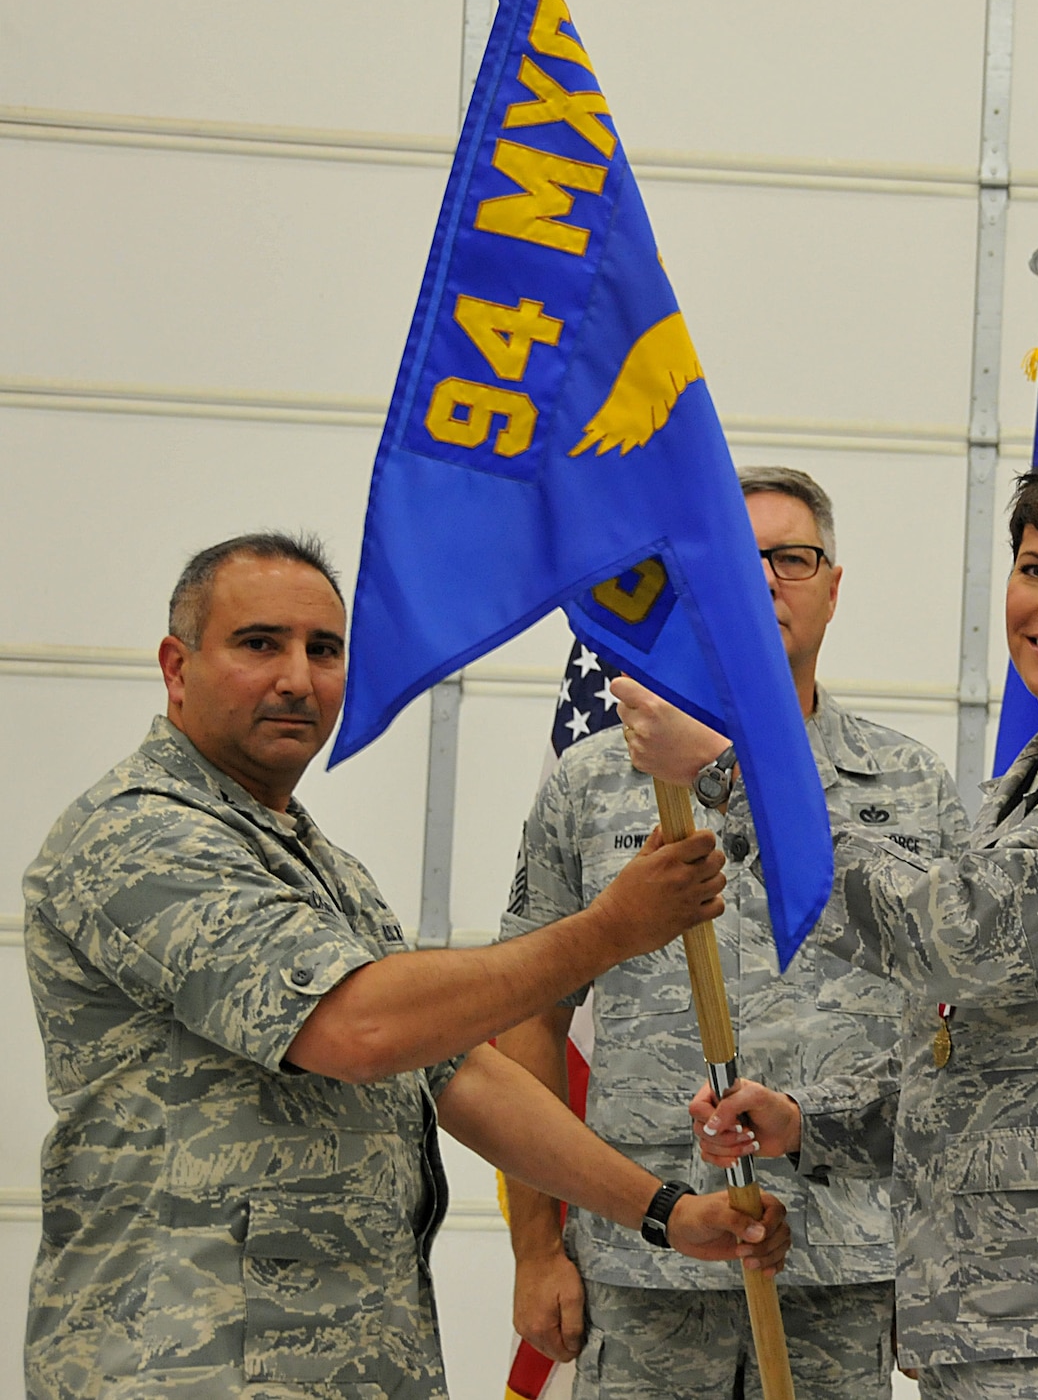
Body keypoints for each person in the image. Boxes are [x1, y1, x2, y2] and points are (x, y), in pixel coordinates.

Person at [21, 533, 788, 1400]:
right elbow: (359, 1029)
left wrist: (666, 1211)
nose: (297, 679)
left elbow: (461, 1074)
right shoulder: (139, 836)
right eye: (258, 643)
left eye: (325, 650)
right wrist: (608, 931)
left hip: (346, 1361)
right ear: (177, 665)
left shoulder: (318, 865)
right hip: (185, 1362)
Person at [624, 432, 1038, 1400]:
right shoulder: (1028, 792)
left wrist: (731, 775)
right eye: (1032, 569)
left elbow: (965, 939)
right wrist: (809, 1122)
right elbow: (978, 1075)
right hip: (1007, 1329)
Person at [496, 467, 965, 1399]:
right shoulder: (595, 782)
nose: (764, 581)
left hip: (848, 1266)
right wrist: (537, 1249)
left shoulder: (911, 787)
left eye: (792, 559)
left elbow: (951, 1044)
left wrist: (936, 1261)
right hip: (647, 1263)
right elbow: (530, 1018)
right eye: (735, 560)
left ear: (834, 586)